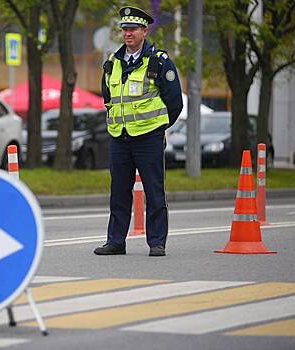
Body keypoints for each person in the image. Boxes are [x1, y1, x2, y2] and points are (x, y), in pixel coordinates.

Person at [94, 6, 183, 257]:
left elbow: (174, 101)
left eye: (133, 29)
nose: (128, 33)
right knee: (119, 192)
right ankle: (115, 241)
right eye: (124, 29)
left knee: (154, 190)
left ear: (145, 31)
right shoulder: (112, 63)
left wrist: (160, 127)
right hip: (120, 138)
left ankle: (156, 242)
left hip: (148, 137)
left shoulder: (158, 61)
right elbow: (108, 97)